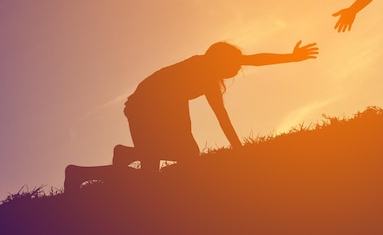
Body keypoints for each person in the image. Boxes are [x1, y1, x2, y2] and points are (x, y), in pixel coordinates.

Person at [64, 40, 318, 193]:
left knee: (169, 166)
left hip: (145, 105)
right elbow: (220, 117)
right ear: (220, 60)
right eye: (234, 64)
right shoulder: (202, 72)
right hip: (148, 105)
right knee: (171, 165)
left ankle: (121, 157)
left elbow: (255, 60)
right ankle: (86, 170)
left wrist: (292, 57)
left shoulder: (209, 66)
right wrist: (239, 151)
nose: (238, 67)